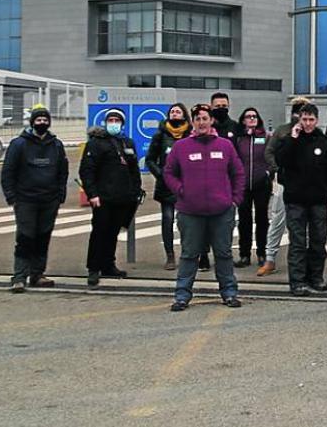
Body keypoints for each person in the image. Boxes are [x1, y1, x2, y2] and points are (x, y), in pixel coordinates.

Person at [164, 104, 246, 311]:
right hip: (190, 212)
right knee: (189, 255)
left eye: (204, 118)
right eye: (197, 119)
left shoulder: (225, 145)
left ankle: (229, 293)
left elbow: (238, 173)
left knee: (223, 254)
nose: (201, 122)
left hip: (222, 211)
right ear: (193, 122)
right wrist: (181, 190)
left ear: (211, 121)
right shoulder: (181, 147)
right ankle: (182, 296)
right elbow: (168, 173)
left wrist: (235, 199)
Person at [274, 103, 327, 297]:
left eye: (311, 119)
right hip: (295, 200)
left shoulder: (324, 142)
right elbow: (281, 160)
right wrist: (293, 138)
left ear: (317, 120)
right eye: (304, 119)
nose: (308, 123)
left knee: (318, 241)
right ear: (299, 120)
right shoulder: (289, 140)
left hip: (318, 200)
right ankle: (297, 281)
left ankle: (316, 277)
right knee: (297, 242)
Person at [1, 104, 69, 292]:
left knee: (43, 236)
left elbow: (62, 171)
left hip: (49, 200)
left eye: (45, 120)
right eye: (39, 120)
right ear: (32, 122)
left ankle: (37, 274)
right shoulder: (19, 144)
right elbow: (8, 172)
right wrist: (11, 197)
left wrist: (60, 195)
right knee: (25, 237)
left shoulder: (56, 144)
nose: (42, 123)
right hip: (25, 200)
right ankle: (19, 276)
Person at [79, 108, 143, 288]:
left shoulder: (127, 143)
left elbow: (134, 170)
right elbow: (87, 170)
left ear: (122, 123)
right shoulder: (96, 143)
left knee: (113, 233)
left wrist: (135, 192)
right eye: (111, 120)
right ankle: (93, 268)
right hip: (103, 198)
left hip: (123, 198)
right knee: (99, 232)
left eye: (117, 120)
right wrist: (92, 194)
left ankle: (108, 265)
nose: (113, 123)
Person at [257, 96, 310, 277]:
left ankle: (305, 260)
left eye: (303, 111)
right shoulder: (281, 131)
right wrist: (277, 168)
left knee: (305, 224)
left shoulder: (313, 133)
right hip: (283, 182)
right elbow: (269, 152)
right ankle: (270, 259)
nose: (299, 115)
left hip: (306, 184)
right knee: (277, 221)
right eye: (297, 110)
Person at [146, 103, 197, 271]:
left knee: (187, 222)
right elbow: (150, 159)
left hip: (187, 184)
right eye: (172, 111)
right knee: (167, 219)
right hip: (166, 185)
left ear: (184, 115)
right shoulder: (160, 135)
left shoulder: (191, 134)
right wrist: (160, 174)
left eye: (178, 111)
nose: (175, 114)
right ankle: (169, 255)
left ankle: (188, 253)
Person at [234, 107, 272, 268]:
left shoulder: (266, 137)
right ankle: (244, 254)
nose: (251, 119)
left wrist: (269, 172)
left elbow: (272, 156)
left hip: (261, 183)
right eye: (248, 117)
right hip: (243, 184)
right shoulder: (239, 139)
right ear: (243, 120)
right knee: (244, 220)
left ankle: (262, 253)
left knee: (262, 219)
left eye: (254, 116)